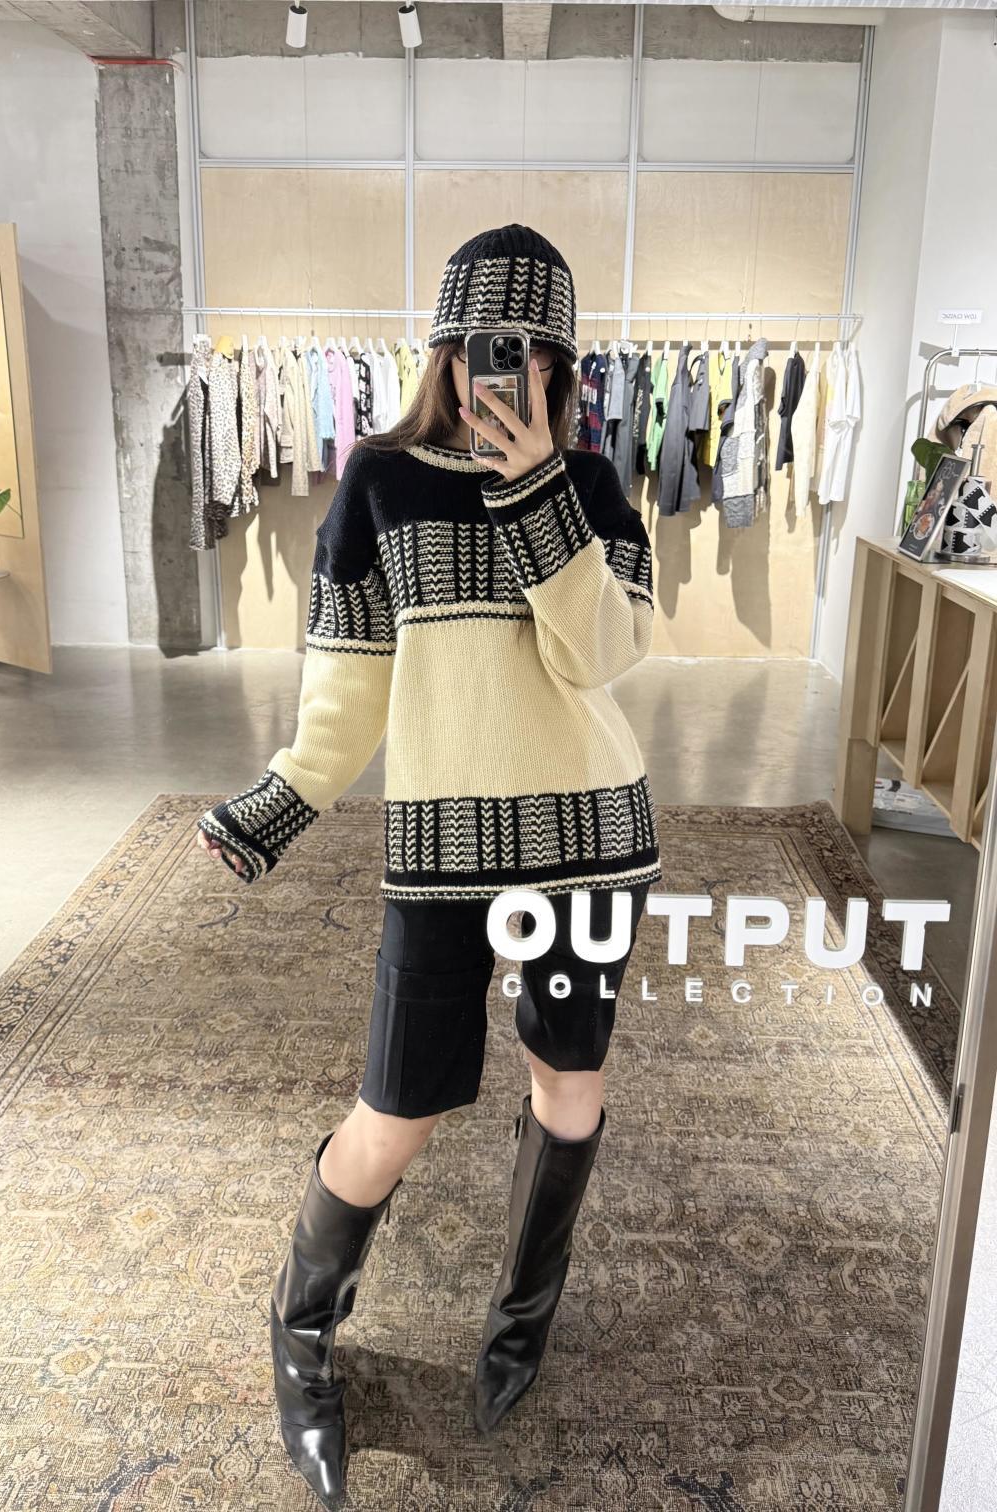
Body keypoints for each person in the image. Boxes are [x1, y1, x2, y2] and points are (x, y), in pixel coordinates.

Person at [196, 224, 661, 1510]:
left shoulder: (594, 487)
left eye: (532, 350)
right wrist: (283, 801)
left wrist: (536, 492)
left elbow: (600, 659)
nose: (503, 372)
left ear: (562, 363)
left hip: (588, 844)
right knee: (396, 1109)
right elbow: (346, 685)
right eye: (481, 347)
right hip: (446, 848)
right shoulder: (378, 481)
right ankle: (301, 1334)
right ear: (447, 351)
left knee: (569, 1087)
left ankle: (520, 1325)